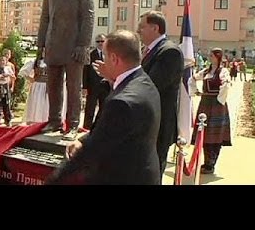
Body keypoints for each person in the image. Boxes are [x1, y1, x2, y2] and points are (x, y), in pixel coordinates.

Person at [45, 30, 161, 185]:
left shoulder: (122, 102)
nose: (103, 61)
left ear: (114, 59)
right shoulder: (144, 82)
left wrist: (54, 179)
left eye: (105, 56)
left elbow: (90, 153)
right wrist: (83, 140)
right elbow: (115, 129)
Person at [37, 0, 95, 140]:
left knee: (73, 87)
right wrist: (40, 45)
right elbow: (45, 18)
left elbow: (88, 16)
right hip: (53, 44)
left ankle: (73, 125)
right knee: (53, 86)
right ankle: (54, 121)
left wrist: (83, 44)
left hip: (74, 45)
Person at [138, 10, 184, 179]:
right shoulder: (148, 50)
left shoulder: (169, 52)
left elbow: (150, 85)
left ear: (155, 28)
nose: (138, 31)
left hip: (158, 124)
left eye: (142, 27)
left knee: (153, 173)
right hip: (144, 123)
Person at [189, 48, 231, 175]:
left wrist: (219, 99)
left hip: (217, 105)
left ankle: (211, 163)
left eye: (211, 55)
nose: (209, 57)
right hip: (205, 104)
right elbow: (192, 79)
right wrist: (196, 91)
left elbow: (226, 84)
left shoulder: (223, 71)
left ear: (217, 57)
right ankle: (207, 161)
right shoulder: (207, 71)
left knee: (215, 134)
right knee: (205, 132)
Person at [18, 56, 67, 124]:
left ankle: (47, 121)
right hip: (38, 86)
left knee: (48, 104)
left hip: (51, 87)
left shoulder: (55, 61)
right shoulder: (36, 62)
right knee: (37, 103)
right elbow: (23, 72)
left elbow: (64, 76)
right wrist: (30, 78)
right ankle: (35, 122)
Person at [82, 34, 110, 129]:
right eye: (98, 41)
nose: (100, 43)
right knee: (90, 109)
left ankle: (98, 127)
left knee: (103, 109)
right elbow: (85, 72)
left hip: (106, 87)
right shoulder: (90, 55)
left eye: (102, 41)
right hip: (92, 87)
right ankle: (86, 128)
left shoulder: (109, 55)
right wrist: (84, 87)